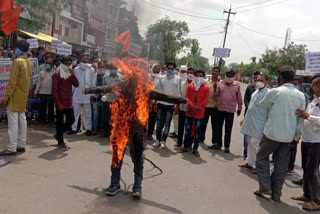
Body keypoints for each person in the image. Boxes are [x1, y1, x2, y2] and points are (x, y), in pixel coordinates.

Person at [82, 59, 187, 198]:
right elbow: (104, 88)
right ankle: (114, 184)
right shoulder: (122, 85)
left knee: (137, 158)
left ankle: (137, 186)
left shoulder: (145, 88)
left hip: (138, 128)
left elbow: (165, 96)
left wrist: (184, 100)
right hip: (121, 126)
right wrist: (87, 90)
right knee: (117, 156)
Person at [254, 66, 305, 202]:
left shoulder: (275, 92)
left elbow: (262, 105)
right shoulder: (300, 95)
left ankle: (265, 186)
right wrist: (296, 137)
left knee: (261, 158)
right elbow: (301, 119)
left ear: (280, 78)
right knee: (281, 166)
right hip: (289, 136)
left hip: (272, 134)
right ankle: (276, 194)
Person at [291, 75, 320, 211]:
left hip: (316, 141)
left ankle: (317, 200)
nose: (312, 88)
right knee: (306, 168)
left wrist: (307, 116)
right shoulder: (314, 100)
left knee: (313, 171)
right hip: (307, 139)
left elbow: (313, 119)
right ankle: (307, 194)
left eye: (314, 85)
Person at [0, 41, 33, 156]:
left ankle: (12, 148)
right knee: (22, 121)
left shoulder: (18, 62)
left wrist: (5, 98)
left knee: (13, 124)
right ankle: (21, 145)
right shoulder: (29, 63)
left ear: (18, 49)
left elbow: (12, 83)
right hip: (23, 96)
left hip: (14, 97)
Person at [239, 74, 270, 174]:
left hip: (260, 123)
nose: (259, 82)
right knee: (249, 143)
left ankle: (258, 166)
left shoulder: (268, 94)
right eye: (257, 80)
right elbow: (250, 107)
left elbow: (269, 111)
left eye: (261, 80)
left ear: (267, 82)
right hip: (250, 122)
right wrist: (244, 118)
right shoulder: (256, 92)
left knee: (256, 144)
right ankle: (249, 162)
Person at [177, 69, 209, 157]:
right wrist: (192, 106)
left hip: (199, 113)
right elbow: (187, 96)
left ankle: (195, 148)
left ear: (203, 77)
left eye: (201, 76)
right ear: (195, 76)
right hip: (189, 111)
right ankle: (186, 146)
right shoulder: (190, 86)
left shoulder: (206, 88)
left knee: (197, 131)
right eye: (197, 76)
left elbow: (205, 100)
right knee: (187, 130)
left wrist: (197, 107)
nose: (199, 77)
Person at [52, 56, 79, 151]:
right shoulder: (57, 74)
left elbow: (76, 84)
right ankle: (61, 142)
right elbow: (54, 91)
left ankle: (58, 134)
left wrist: (73, 75)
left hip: (68, 101)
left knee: (71, 119)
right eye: (66, 64)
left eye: (69, 64)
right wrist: (58, 103)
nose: (68, 65)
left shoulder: (69, 74)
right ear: (62, 64)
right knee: (60, 122)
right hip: (60, 102)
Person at [214, 70, 242, 153]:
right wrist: (215, 87)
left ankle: (227, 146)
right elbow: (216, 94)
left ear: (233, 76)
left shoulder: (237, 85)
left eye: (230, 76)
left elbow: (239, 97)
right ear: (225, 75)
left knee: (228, 129)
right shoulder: (220, 83)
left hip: (230, 110)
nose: (228, 78)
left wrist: (240, 107)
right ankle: (218, 144)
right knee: (218, 128)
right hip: (221, 109)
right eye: (227, 75)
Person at [69, 54, 96, 136]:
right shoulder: (76, 69)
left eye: (86, 59)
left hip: (87, 93)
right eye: (83, 59)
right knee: (75, 112)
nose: (85, 61)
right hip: (77, 93)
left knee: (87, 112)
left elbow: (93, 82)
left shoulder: (91, 69)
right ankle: (74, 128)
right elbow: (73, 82)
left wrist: (92, 94)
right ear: (80, 59)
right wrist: (71, 93)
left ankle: (88, 129)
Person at [153, 62, 178, 149]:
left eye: (172, 68)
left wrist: (177, 106)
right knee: (159, 124)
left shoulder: (176, 79)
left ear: (174, 69)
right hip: (161, 104)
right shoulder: (162, 78)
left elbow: (177, 94)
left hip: (170, 105)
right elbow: (158, 91)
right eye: (169, 68)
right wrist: (156, 102)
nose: (170, 70)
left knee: (167, 124)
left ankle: (163, 141)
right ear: (166, 69)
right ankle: (157, 140)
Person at [287, 77, 309, 174]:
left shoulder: (304, 96)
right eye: (293, 83)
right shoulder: (289, 93)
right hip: (288, 122)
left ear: (300, 85)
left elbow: (302, 111)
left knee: (293, 146)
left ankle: (290, 167)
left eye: (296, 83)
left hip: (298, 122)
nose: (294, 85)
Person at [242, 71, 261, 159]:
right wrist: (249, 107)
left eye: (259, 78)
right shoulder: (250, 87)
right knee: (247, 135)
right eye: (256, 78)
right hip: (248, 114)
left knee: (255, 139)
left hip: (258, 117)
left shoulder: (265, 90)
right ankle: (246, 152)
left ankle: (254, 158)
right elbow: (246, 98)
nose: (257, 80)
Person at [200, 66, 220, 148]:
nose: (215, 72)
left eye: (217, 71)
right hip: (205, 106)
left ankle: (214, 141)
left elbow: (220, 95)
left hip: (215, 107)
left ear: (219, 73)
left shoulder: (220, 83)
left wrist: (216, 89)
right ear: (211, 72)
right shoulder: (205, 81)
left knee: (214, 125)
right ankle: (201, 138)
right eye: (214, 71)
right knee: (203, 124)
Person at [102, 64, 123, 137]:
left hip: (117, 100)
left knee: (116, 118)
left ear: (117, 69)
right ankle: (106, 132)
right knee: (106, 118)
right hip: (107, 100)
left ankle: (114, 133)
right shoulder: (105, 77)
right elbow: (103, 87)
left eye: (114, 68)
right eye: (111, 68)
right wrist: (103, 96)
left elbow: (123, 89)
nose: (113, 70)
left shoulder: (121, 77)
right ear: (109, 69)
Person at [176, 67, 194, 147]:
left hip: (191, 109)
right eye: (188, 72)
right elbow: (179, 95)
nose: (190, 74)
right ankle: (179, 142)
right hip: (182, 107)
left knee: (189, 127)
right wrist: (177, 106)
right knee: (181, 126)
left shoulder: (196, 84)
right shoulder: (182, 82)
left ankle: (189, 143)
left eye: (192, 73)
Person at [34, 57, 55, 124]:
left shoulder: (55, 72)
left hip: (50, 93)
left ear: (52, 64)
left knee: (50, 107)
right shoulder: (41, 72)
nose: (48, 65)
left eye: (49, 63)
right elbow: (38, 83)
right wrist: (35, 92)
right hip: (42, 92)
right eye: (47, 63)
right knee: (42, 107)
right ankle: (42, 120)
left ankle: (50, 120)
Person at [170, 65, 188, 139]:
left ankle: (180, 133)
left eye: (184, 71)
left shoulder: (187, 80)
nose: (183, 72)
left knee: (182, 119)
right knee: (175, 117)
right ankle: (176, 131)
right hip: (175, 100)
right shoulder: (176, 78)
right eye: (182, 71)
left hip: (183, 101)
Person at [92, 61, 107, 135]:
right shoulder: (95, 76)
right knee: (95, 114)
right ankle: (94, 129)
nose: (101, 68)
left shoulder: (107, 76)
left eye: (103, 67)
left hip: (106, 99)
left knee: (105, 116)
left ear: (105, 68)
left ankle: (104, 130)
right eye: (100, 67)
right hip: (96, 99)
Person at [147, 63, 161, 140]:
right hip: (147, 100)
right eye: (156, 68)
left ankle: (150, 134)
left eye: (158, 69)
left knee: (153, 119)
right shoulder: (148, 77)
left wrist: (155, 102)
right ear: (152, 69)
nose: (157, 70)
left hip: (156, 101)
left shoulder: (161, 78)